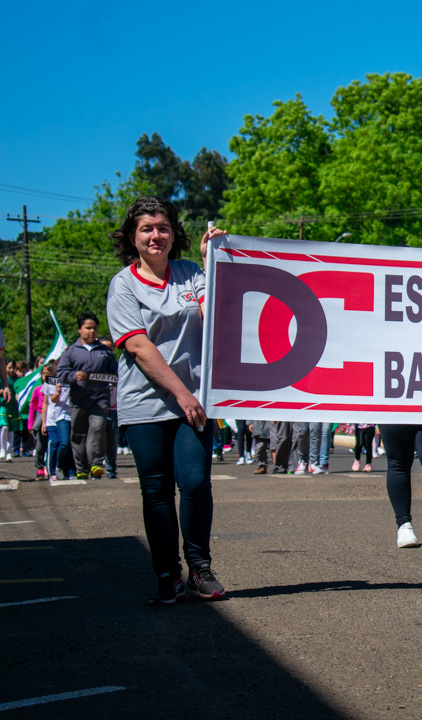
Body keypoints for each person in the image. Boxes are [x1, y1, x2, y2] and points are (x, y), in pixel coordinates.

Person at [106, 196, 228, 605]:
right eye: (146, 229)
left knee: (195, 483)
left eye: (163, 227)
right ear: (133, 238)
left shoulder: (190, 274)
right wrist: (181, 393)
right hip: (147, 404)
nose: (155, 235)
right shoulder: (123, 284)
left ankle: (200, 568)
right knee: (156, 492)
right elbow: (139, 347)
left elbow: (216, 317)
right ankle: (167, 575)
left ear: (174, 234)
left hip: (194, 402)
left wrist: (213, 263)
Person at [56, 311, 118, 479]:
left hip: (100, 399)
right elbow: (61, 373)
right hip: (78, 400)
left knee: (98, 428)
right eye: (88, 328)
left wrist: (112, 379)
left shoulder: (105, 351)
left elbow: (116, 372)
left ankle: (96, 464)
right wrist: (73, 376)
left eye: (95, 328)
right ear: (79, 330)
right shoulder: (71, 352)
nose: (92, 332)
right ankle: (81, 468)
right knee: (78, 434)